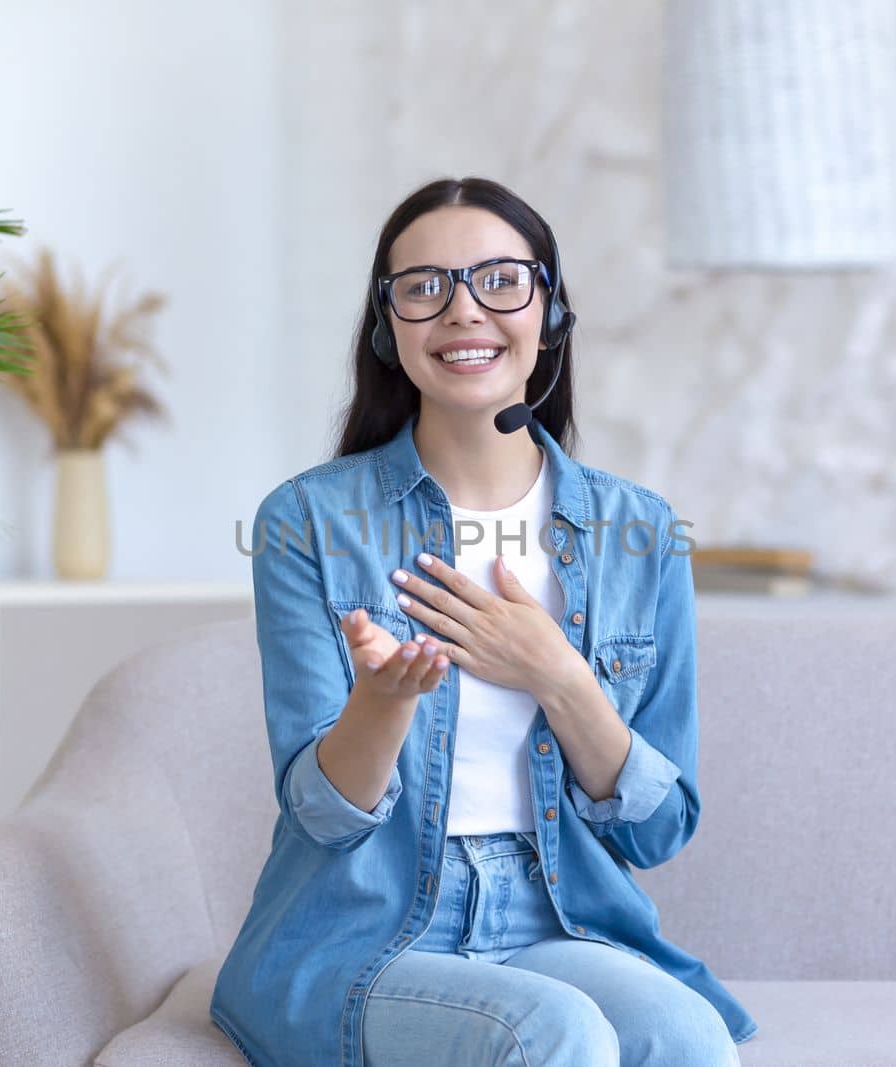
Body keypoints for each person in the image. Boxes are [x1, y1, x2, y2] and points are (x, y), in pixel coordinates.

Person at [209, 176, 757, 1066]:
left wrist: (558, 673)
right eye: (424, 287)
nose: (463, 310)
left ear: (550, 311)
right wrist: (383, 702)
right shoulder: (307, 519)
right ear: (389, 330)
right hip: (361, 936)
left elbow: (658, 831)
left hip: (552, 917)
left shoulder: (640, 532)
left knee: (690, 1037)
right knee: (556, 1030)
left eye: (501, 279)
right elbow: (319, 816)